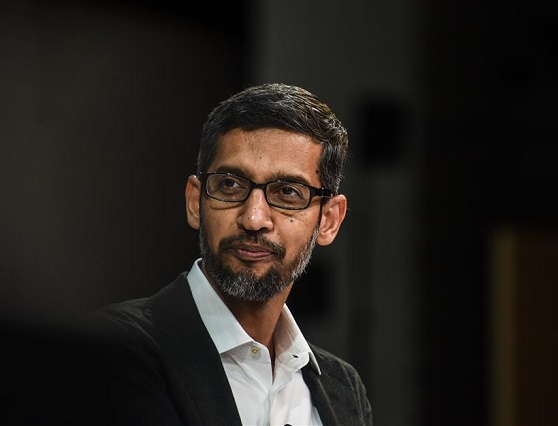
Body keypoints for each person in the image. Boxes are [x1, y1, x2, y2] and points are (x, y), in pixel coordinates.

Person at [79, 83, 373, 426]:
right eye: (231, 185)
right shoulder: (113, 350)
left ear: (329, 220)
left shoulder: (343, 389)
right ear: (195, 201)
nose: (254, 219)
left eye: (288, 192)